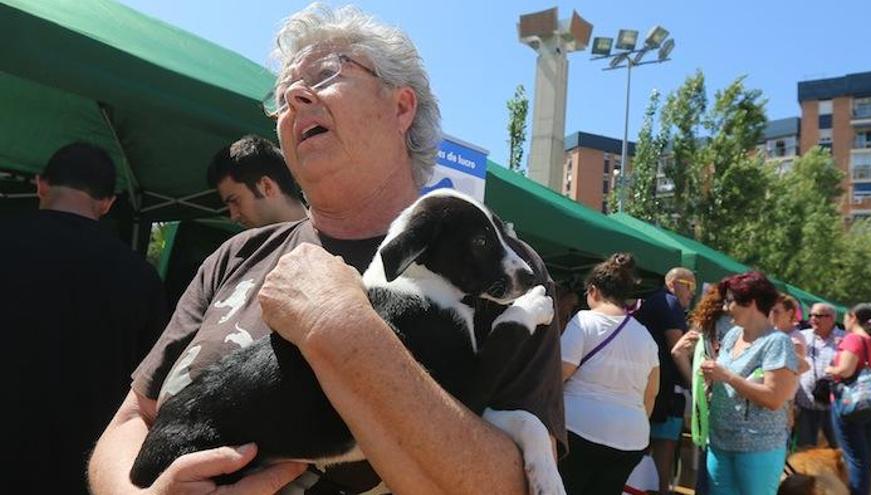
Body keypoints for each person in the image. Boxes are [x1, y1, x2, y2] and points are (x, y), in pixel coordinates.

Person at [88, 5, 565, 495]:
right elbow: (131, 420)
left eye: (327, 72)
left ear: (401, 108)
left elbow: (508, 485)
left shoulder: (501, 274)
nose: (294, 97)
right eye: (282, 95)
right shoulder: (236, 255)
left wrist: (339, 326)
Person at [1, 143, 169, 495]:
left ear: (40, 184)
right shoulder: (140, 276)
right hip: (79, 467)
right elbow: (153, 383)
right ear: (107, 203)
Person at [559, 253, 660, 495]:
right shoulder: (645, 336)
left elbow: (558, 375)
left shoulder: (583, 321)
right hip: (631, 439)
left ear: (592, 290)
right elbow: (651, 393)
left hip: (579, 430)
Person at [699, 272, 799, 495]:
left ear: (751, 302)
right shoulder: (733, 335)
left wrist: (727, 377)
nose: (725, 308)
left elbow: (773, 398)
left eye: (730, 301)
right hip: (720, 442)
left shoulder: (777, 343)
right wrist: (710, 377)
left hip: (757, 448)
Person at [633, 267, 696, 495]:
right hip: (664, 394)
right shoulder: (669, 303)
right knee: (663, 454)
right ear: (673, 283)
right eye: (690, 286)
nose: (692, 294)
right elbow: (677, 349)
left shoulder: (654, 302)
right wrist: (695, 385)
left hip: (649, 391)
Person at [670, 283, 731, 495]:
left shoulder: (704, 322)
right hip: (731, 401)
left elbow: (678, 352)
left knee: (705, 468)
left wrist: (696, 386)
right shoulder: (741, 326)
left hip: (706, 400)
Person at [825, 303, 871, 495]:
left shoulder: (854, 339)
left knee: (855, 457)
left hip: (849, 405)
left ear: (852, 317)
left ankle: (858, 492)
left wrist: (830, 369)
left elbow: (845, 370)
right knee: (864, 455)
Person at [207, 134, 307, 228]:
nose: (234, 217)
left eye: (235, 201)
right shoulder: (251, 245)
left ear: (266, 186)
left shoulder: (320, 239)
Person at [795, 303, 845, 448]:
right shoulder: (803, 337)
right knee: (805, 449)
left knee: (838, 449)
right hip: (805, 403)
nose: (812, 319)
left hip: (835, 405)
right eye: (811, 315)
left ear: (831, 318)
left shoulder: (845, 339)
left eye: (818, 315)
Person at [770, 293, 810, 374]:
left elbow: (792, 371)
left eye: (776, 311)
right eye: (770, 310)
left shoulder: (795, 341)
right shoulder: (771, 332)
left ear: (790, 313)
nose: (771, 315)